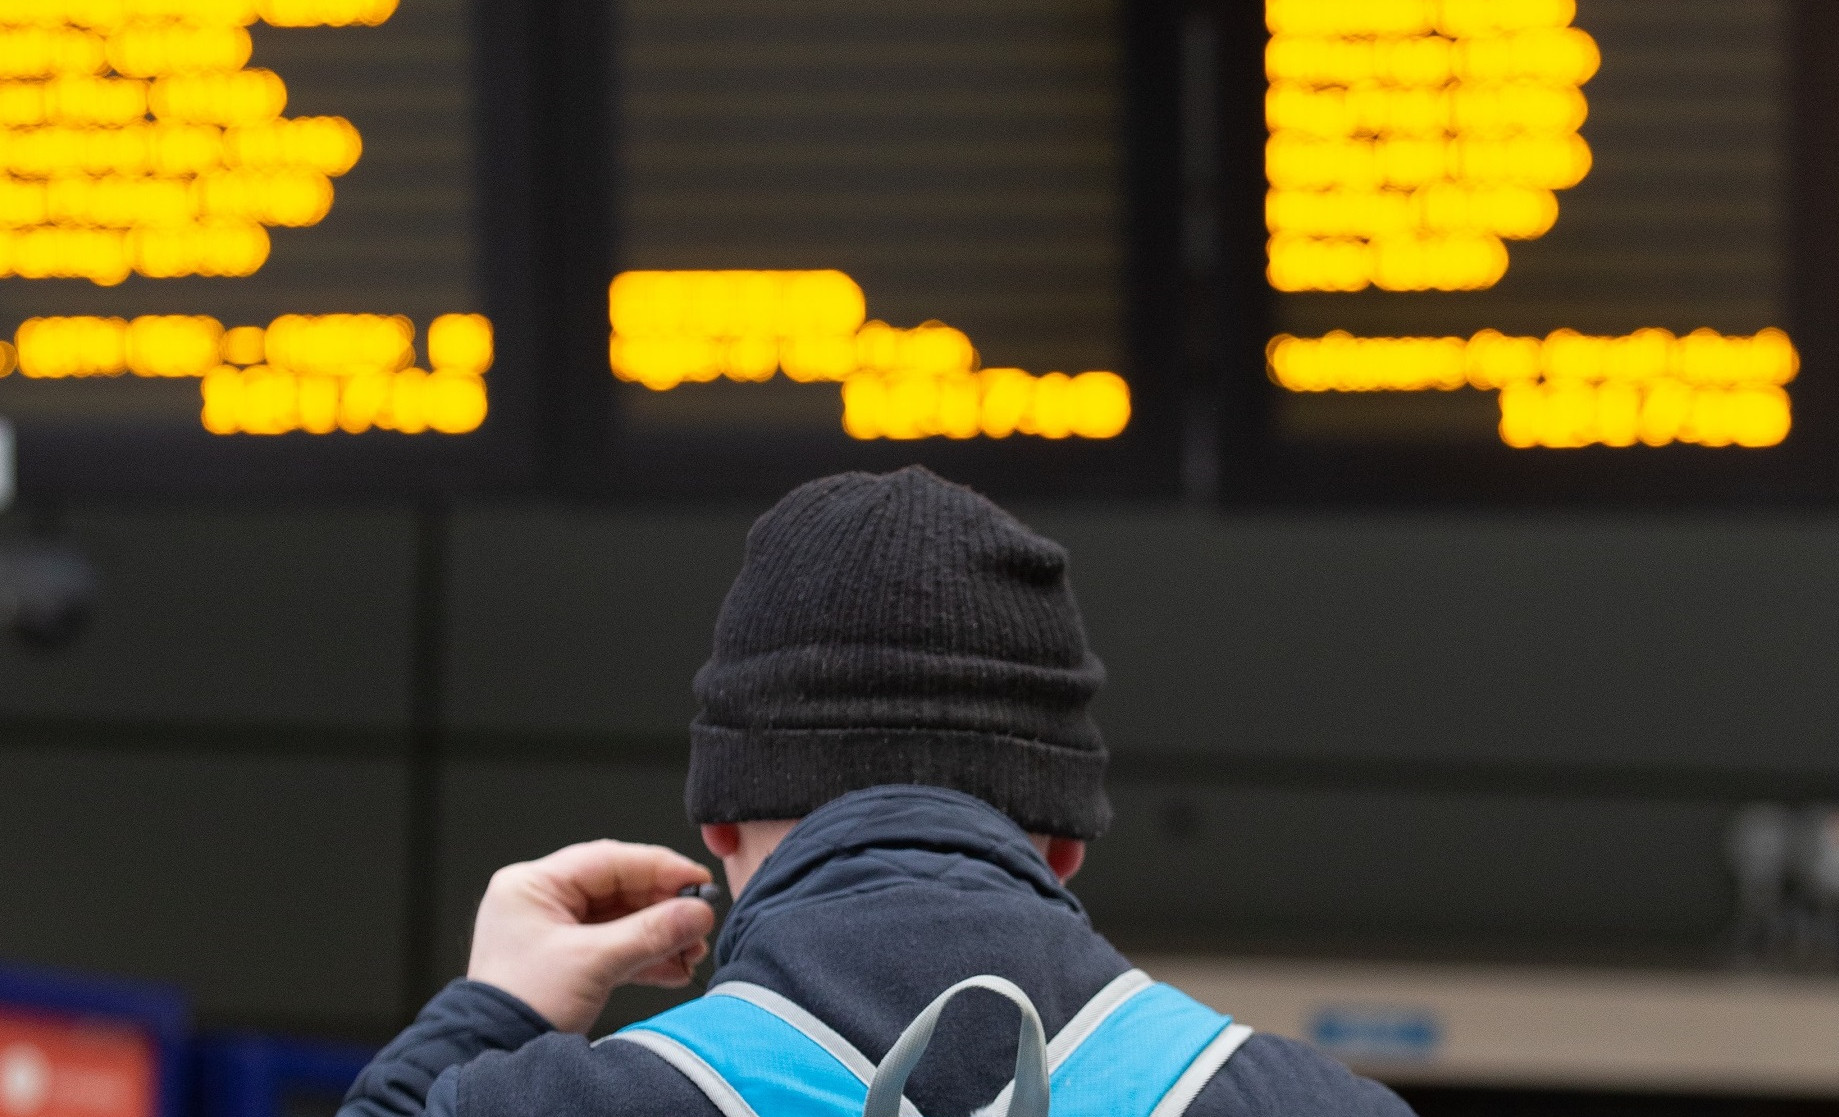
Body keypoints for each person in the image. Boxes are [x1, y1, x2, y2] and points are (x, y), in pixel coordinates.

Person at [340, 466, 1414, 1117]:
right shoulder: (1314, 1107)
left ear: (719, 825)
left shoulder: (542, 1103)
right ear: (1061, 845)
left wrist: (489, 1013)